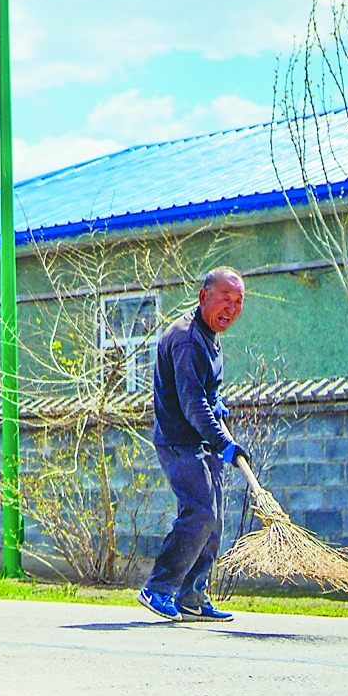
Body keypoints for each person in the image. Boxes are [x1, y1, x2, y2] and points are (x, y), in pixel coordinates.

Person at [139, 267, 248, 623]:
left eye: (238, 301)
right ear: (204, 297)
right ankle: (159, 587)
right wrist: (224, 441)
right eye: (225, 298)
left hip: (202, 441)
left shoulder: (209, 336)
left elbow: (209, 397)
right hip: (179, 441)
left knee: (213, 521)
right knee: (200, 511)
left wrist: (221, 424)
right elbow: (192, 403)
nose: (231, 308)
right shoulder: (187, 339)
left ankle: (191, 593)